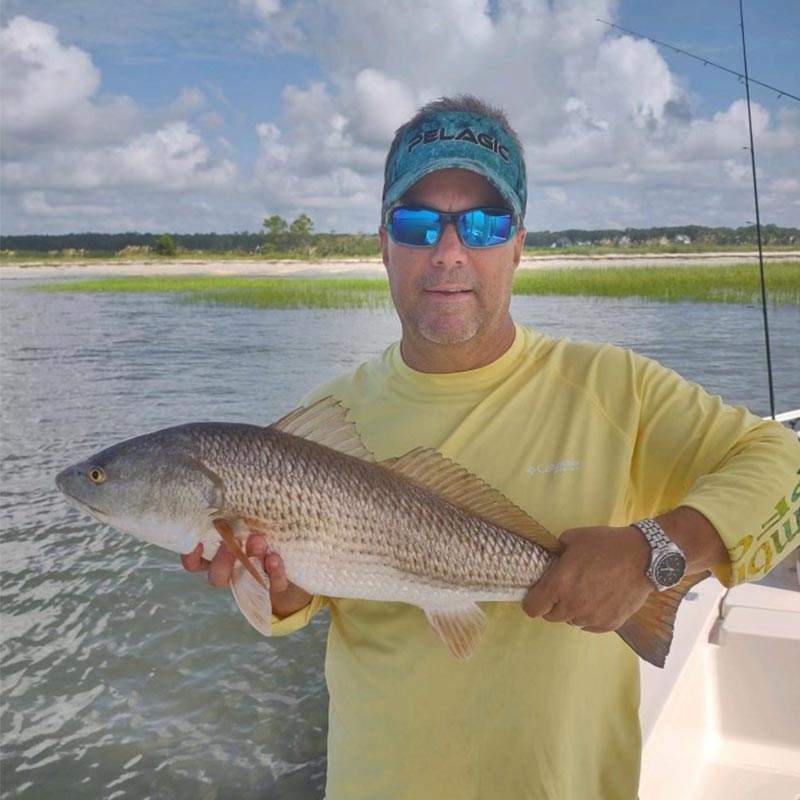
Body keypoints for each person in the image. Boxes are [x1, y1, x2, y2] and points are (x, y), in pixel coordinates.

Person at [182, 95, 800, 799]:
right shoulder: (322, 420)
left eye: (482, 222)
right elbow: (283, 608)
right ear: (384, 243)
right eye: (418, 222)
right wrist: (279, 590)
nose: (449, 251)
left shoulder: (614, 388)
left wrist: (653, 552)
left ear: (518, 244)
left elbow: (785, 462)